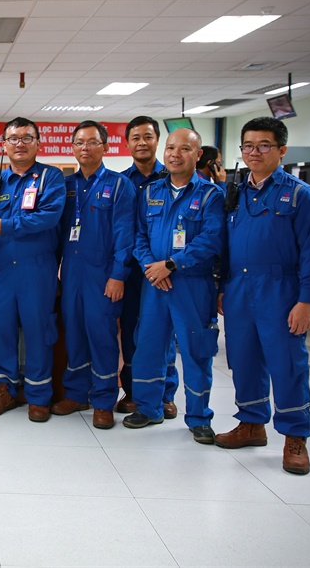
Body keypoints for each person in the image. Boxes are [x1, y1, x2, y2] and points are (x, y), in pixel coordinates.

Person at [215, 117, 310, 475]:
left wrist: (306, 301)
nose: (254, 152)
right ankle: (251, 423)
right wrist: (222, 288)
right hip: (239, 289)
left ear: (281, 150)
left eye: (264, 145)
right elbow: (225, 246)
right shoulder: (235, 194)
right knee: (243, 359)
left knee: (287, 364)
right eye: (247, 146)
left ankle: (295, 437)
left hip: (281, 291)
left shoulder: (300, 195)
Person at [124, 127, 225, 444]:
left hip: (192, 285)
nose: (175, 154)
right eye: (170, 148)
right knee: (148, 348)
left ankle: (198, 417)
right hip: (154, 284)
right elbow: (139, 235)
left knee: (196, 351)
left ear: (198, 154)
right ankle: (148, 408)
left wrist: (171, 265)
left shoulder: (210, 195)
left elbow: (211, 239)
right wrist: (151, 267)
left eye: (184, 148)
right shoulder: (150, 192)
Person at [0, 117, 65, 421]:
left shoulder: (51, 178)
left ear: (38, 143)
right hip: (1, 270)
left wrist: (5, 225)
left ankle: (39, 396)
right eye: (13, 139)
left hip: (36, 270)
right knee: (0, 330)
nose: (20, 144)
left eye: (27, 138)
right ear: (4, 145)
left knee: (38, 331)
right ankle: (4, 389)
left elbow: (48, 217)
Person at [55, 120, 135, 429]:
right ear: (72, 148)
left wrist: (118, 275)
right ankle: (77, 394)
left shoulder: (119, 185)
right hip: (71, 273)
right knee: (74, 334)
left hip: (103, 275)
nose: (85, 148)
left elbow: (125, 234)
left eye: (92, 142)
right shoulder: (66, 185)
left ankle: (103, 400)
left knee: (102, 337)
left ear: (105, 147)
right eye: (79, 143)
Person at [118, 116, 179, 419]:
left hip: (166, 273)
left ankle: (165, 394)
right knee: (132, 332)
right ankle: (133, 392)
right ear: (127, 143)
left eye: (148, 137)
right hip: (132, 271)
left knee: (164, 335)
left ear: (157, 141)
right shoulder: (121, 182)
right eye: (136, 138)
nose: (142, 143)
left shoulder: (174, 178)